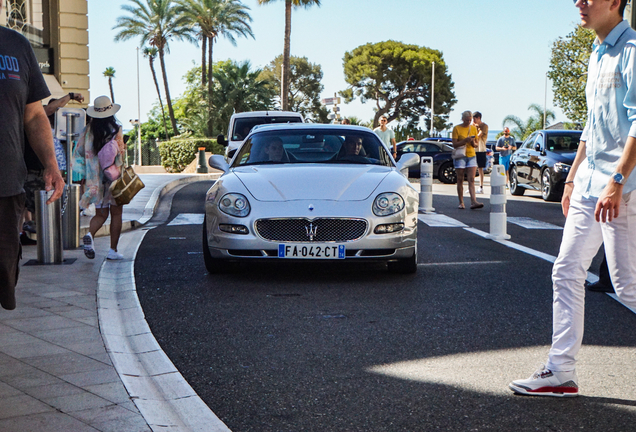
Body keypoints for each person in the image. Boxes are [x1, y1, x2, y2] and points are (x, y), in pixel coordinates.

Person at [509, 0, 635, 397]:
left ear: (615, 2)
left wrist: (617, 180)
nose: (579, 3)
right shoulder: (597, 53)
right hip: (588, 185)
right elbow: (592, 123)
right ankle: (560, 371)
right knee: (566, 271)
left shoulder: (632, 51)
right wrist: (572, 179)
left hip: (622, 187)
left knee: (628, 286)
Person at [0, 0, 65, 310]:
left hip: (6, 187)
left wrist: (51, 164)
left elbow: (34, 115)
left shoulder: (17, 45)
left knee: (4, 280)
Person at [20, 92, 84, 245]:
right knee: (31, 204)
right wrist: (70, 96)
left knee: (41, 205)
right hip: (32, 169)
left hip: (41, 169)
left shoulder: (51, 128)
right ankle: (28, 235)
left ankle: (39, 237)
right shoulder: (33, 116)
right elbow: (48, 109)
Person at [73, 96, 126, 261]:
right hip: (113, 179)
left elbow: (78, 154)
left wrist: (81, 175)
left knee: (101, 214)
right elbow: (120, 155)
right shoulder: (116, 129)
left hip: (95, 180)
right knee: (116, 215)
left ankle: (90, 234)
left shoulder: (87, 131)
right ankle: (113, 250)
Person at [452, 111, 483, 210]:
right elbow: (454, 144)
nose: (468, 122)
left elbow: (477, 143)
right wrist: (465, 141)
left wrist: (473, 143)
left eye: (470, 120)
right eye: (466, 120)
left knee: (471, 179)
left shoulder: (473, 128)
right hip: (460, 155)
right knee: (460, 179)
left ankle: (473, 201)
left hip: (471, 155)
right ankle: (461, 202)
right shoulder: (457, 128)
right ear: (462, 119)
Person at [472, 112, 489, 193]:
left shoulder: (484, 126)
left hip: (481, 149)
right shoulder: (472, 126)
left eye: (474, 119)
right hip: (473, 149)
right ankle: (471, 186)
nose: (473, 120)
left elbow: (479, 135)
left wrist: (476, 127)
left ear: (478, 118)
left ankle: (481, 187)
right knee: (472, 168)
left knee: (480, 168)